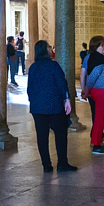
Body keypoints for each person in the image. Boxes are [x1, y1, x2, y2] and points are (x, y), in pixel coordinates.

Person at [26, 40, 77, 173]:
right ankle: (62, 164)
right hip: (54, 106)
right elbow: (62, 83)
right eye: (49, 47)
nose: (51, 49)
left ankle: (46, 165)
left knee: (42, 137)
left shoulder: (33, 67)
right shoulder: (53, 65)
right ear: (45, 50)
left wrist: (34, 102)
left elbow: (29, 88)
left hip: (38, 107)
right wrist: (67, 99)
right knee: (60, 135)